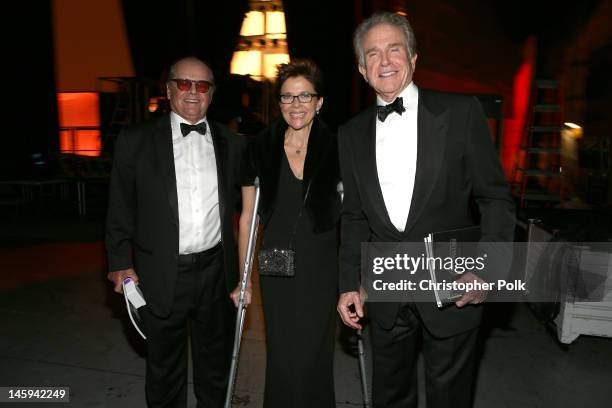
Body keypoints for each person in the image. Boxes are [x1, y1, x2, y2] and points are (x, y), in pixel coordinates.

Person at [336, 12, 515, 408]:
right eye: (373, 54)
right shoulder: (350, 134)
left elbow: (495, 198)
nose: (384, 61)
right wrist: (348, 282)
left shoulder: (460, 113)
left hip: (454, 287)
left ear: (414, 58)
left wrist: (487, 267)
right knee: (391, 397)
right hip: (385, 291)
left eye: (394, 49)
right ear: (363, 69)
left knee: (450, 398)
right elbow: (354, 217)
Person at [106, 56, 244, 408]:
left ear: (212, 94)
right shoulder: (136, 140)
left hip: (216, 271)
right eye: (184, 83)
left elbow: (255, 205)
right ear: (168, 89)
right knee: (165, 370)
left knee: (215, 370)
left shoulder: (234, 144)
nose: (193, 92)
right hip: (160, 272)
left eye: (202, 85)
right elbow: (120, 206)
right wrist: (120, 262)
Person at [231, 59, 341, 407]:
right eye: (287, 97)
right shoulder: (260, 147)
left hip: (323, 264)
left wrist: (356, 276)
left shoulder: (339, 147)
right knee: (282, 349)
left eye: (304, 96)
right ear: (278, 103)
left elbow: (354, 216)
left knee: (315, 352)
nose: (296, 105)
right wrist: (244, 279)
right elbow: (248, 218)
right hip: (276, 260)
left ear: (319, 102)